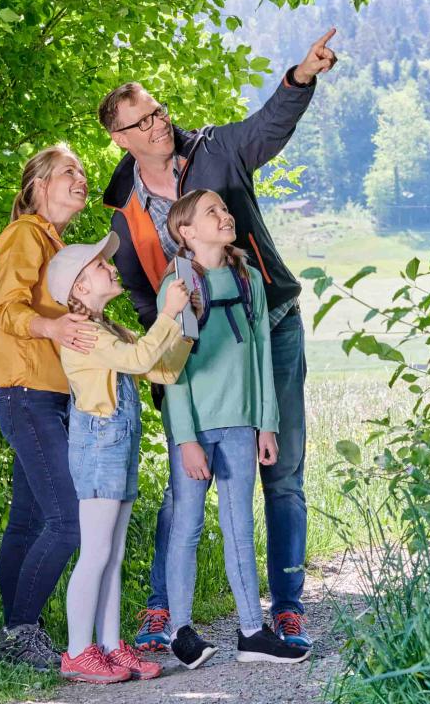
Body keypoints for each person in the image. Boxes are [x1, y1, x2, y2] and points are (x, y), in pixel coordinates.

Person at [97, 29, 339, 650]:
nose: (158, 123)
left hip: (267, 329)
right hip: (190, 359)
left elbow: (267, 127)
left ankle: (284, 607)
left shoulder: (214, 150)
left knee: (282, 472)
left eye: (158, 110)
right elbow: (145, 300)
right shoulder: (124, 210)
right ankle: (162, 610)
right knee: (188, 480)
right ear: (120, 139)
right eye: (142, 120)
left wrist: (300, 77)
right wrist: (162, 363)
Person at [158, 189, 310, 669]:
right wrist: (184, 438)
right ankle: (179, 630)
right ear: (186, 231)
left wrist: (267, 424)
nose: (225, 216)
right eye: (212, 212)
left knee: (240, 527)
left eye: (225, 209)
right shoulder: (178, 285)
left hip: (243, 425)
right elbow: (171, 368)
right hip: (196, 429)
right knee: (187, 525)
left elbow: (262, 355)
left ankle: (251, 631)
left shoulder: (249, 281)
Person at [45, 233, 194, 684]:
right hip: (98, 448)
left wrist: (184, 322)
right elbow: (138, 358)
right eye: (98, 266)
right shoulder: (84, 333)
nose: (110, 267)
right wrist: (166, 313)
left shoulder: (111, 328)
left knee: (113, 551)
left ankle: (109, 646)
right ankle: (77, 652)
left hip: (118, 445)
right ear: (79, 289)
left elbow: (159, 367)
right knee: (96, 550)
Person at [0, 144, 98, 670]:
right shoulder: (24, 235)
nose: (81, 178)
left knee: (27, 524)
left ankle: (18, 635)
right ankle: (20, 630)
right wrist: (51, 326)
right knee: (67, 520)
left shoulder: (56, 244)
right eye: (68, 172)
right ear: (38, 187)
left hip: (47, 395)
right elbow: (6, 309)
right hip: (26, 394)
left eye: (82, 172)